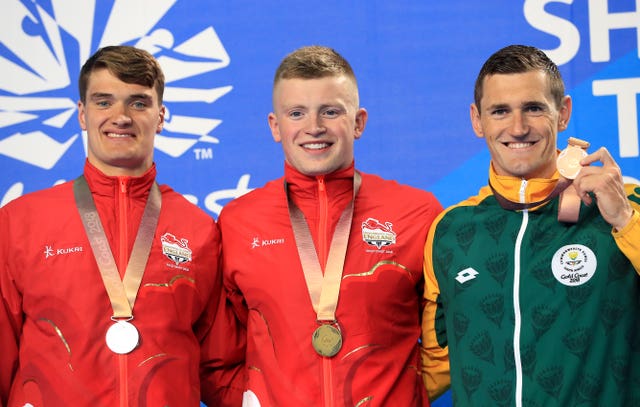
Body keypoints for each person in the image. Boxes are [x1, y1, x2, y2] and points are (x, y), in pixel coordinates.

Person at [0, 45, 244, 406]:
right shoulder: (20, 222)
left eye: (138, 103)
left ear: (160, 117)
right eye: (103, 101)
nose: (121, 116)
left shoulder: (198, 230)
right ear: (82, 114)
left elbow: (219, 367)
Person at [217, 45, 448, 406]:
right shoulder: (237, 223)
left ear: (359, 122)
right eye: (297, 113)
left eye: (331, 111)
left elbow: (448, 334)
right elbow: (218, 352)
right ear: (275, 127)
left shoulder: (417, 213)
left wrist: (408, 396)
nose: (314, 127)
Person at [421, 44, 640, 406]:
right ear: (477, 120)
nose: (518, 128)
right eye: (500, 111)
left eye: (534, 108)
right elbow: (433, 366)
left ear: (563, 113)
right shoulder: (451, 231)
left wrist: (624, 220)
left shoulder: (625, 203)